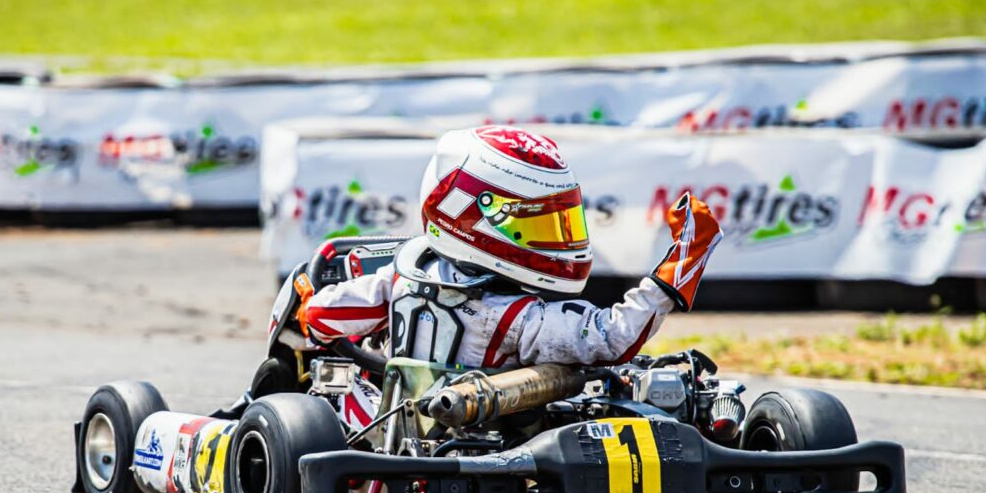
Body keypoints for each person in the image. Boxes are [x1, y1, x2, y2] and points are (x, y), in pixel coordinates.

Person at [273, 125, 722, 375]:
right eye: (535, 225)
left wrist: (318, 319)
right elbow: (611, 337)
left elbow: (322, 316)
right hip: (478, 436)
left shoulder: (404, 271)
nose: (554, 240)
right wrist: (673, 275)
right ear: (468, 214)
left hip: (416, 420)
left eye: (557, 222)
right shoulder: (515, 316)